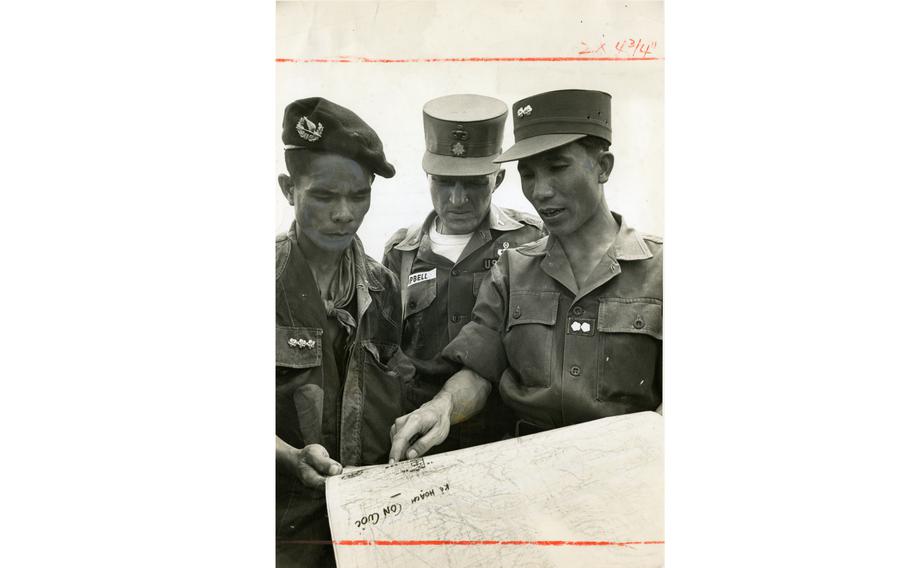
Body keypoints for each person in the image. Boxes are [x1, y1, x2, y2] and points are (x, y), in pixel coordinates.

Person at [389, 89, 662, 463]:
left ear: (604, 166)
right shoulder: (513, 270)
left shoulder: (661, 270)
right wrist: (441, 408)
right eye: (528, 174)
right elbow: (479, 370)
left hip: (624, 478)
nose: (540, 191)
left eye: (558, 167)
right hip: (526, 480)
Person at [274, 97, 412, 566]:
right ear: (288, 189)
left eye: (359, 196)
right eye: (324, 195)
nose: (344, 214)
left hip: (367, 525)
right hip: (283, 529)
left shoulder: (383, 285)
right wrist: (286, 455)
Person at [382, 94, 546, 452]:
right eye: (443, 181)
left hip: (501, 438)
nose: (457, 199)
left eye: (473, 183)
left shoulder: (530, 240)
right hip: (418, 439)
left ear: (498, 179)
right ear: (427, 177)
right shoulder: (401, 253)